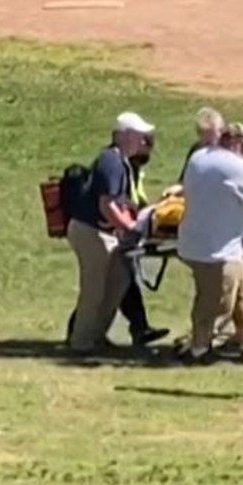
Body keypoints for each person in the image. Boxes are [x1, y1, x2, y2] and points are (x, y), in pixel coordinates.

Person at [65, 132, 170, 347]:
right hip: (91, 231)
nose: (145, 145)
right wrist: (131, 227)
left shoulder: (123, 164)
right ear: (125, 137)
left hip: (107, 233)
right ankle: (81, 341)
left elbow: (124, 202)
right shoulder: (111, 162)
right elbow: (108, 205)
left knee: (119, 280)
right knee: (94, 289)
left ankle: (96, 335)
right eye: (142, 140)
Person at [176, 123, 243, 363]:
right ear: (236, 143)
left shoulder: (198, 157)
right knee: (215, 302)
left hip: (199, 241)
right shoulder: (237, 166)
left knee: (242, 294)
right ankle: (199, 349)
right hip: (217, 249)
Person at [177, 106, 226, 183]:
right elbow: (184, 180)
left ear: (222, 131)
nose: (208, 149)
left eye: (213, 142)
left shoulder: (230, 152)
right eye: (206, 143)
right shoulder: (197, 150)